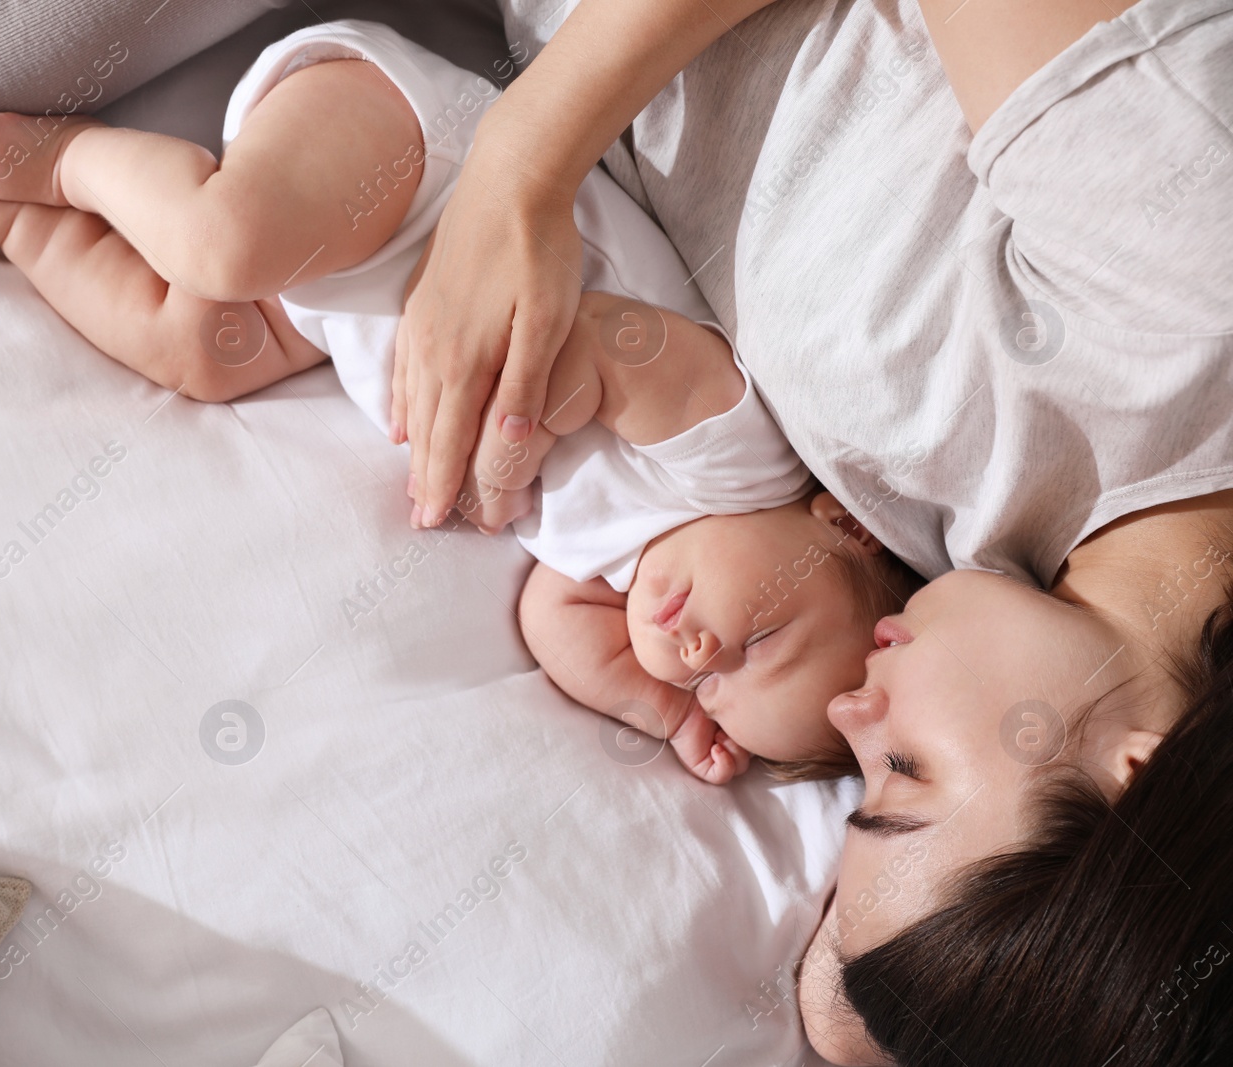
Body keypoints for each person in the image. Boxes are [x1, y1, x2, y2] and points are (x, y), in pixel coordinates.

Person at [396, 0, 1233, 1062]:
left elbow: (843, 1022)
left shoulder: (985, 576)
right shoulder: (1186, 308)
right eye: (906, 771)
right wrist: (520, 164)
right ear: (1136, 773)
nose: (850, 715)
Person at [0, 18, 919, 787]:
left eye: (717, 687)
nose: (702, 654)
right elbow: (617, 345)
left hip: (333, 300)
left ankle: (14, 232)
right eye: (761, 637)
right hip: (418, 164)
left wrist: (659, 706)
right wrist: (522, 415)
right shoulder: (741, 464)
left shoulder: (617, 572)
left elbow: (555, 622)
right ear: (839, 526)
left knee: (197, 348)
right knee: (221, 248)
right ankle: (64, 160)